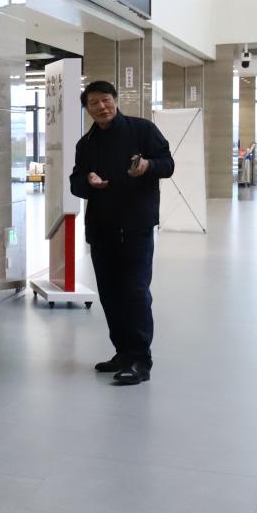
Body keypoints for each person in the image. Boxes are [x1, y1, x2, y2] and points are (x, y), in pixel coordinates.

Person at [69, 80, 175, 386]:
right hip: (101, 228)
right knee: (110, 294)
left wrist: (147, 166)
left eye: (105, 100)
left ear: (115, 100)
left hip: (135, 225)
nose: (101, 107)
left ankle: (140, 359)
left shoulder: (142, 130)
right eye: (94, 103)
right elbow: (75, 182)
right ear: (87, 109)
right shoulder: (86, 143)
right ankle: (122, 353)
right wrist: (88, 181)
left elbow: (168, 164)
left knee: (135, 292)